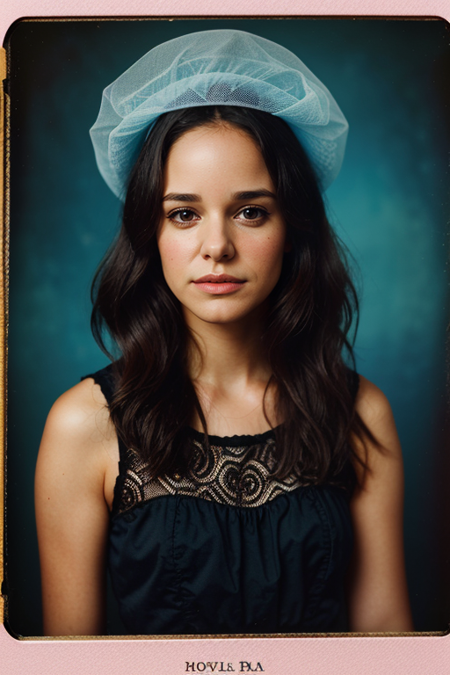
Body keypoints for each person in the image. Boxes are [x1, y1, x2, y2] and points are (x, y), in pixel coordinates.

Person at [34, 29, 413, 636]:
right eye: (183, 214)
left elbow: (388, 634)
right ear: (149, 233)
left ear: (293, 228)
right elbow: (68, 656)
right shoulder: (83, 426)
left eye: (250, 211)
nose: (217, 247)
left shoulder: (361, 414)